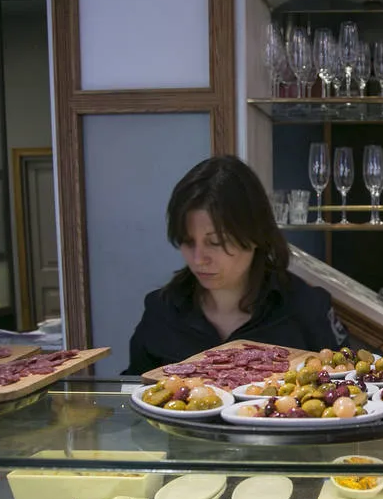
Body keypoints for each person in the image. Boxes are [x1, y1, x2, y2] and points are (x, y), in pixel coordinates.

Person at [124, 156, 347, 375]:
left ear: (253, 236)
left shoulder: (306, 308)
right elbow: (133, 392)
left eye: (215, 242)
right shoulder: (162, 310)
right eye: (188, 241)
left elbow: (343, 387)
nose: (199, 258)